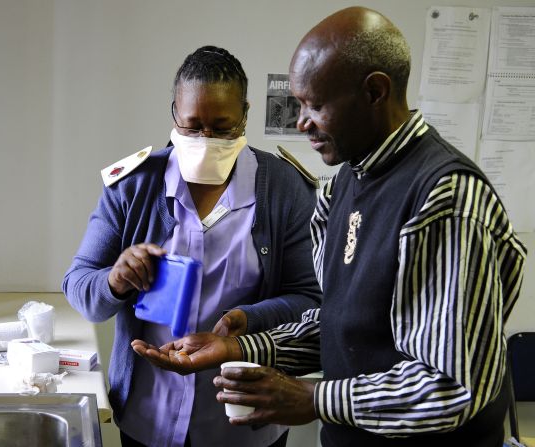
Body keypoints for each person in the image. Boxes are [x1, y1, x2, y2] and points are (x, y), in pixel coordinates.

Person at [131, 7, 527, 447]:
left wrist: (316, 397)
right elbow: (342, 326)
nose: (302, 124)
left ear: (375, 91)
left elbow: (451, 387)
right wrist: (239, 348)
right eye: (300, 105)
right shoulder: (343, 185)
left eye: (315, 106)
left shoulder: (445, 197)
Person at [63, 45, 322, 447]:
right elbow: (81, 290)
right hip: (149, 416)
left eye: (223, 127)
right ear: (173, 115)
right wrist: (115, 281)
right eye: (192, 126)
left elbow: (311, 299)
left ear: (245, 116)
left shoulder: (284, 189)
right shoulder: (132, 186)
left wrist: (248, 319)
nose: (207, 139)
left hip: (244, 420)